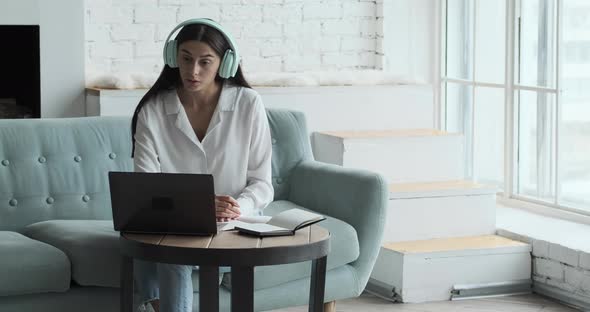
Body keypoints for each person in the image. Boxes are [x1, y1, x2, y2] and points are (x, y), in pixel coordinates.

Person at [130, 18, 274, 312]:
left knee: (167, 253)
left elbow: (262, 183)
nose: (192, 71)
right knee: (169, 249)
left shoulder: (248, 104)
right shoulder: (153, 109)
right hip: (172, 222)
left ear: (226, 63)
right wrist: (194, 206)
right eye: (185, 59)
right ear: (173, 58)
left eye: (205, 62)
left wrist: (236, 206)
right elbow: (144, 188)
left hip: (234, 221)